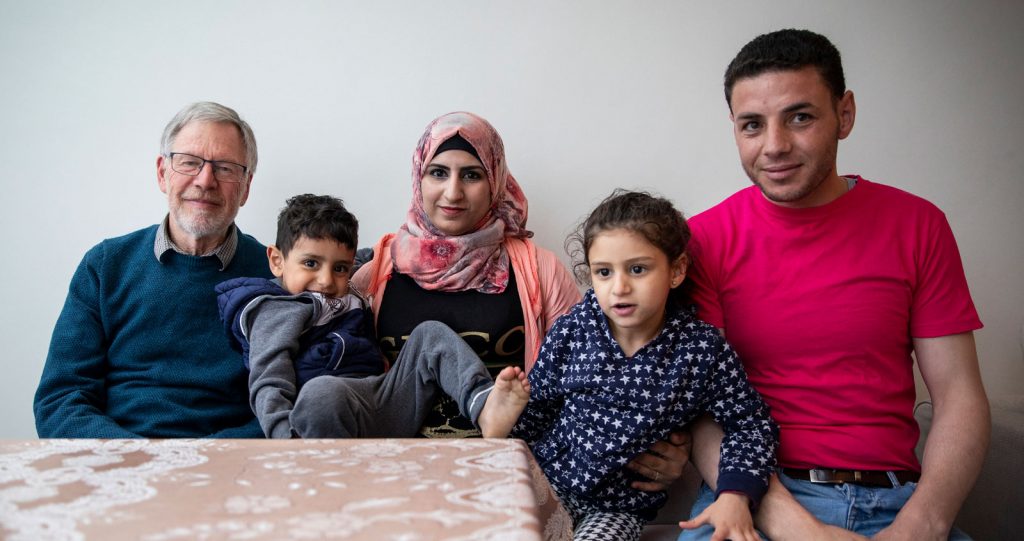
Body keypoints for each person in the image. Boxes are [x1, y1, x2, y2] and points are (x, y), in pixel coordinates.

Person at [679, 29, 989, 540]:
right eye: (752, 125)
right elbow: (701, 411)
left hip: (898, 500)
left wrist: (922, 525)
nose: (775, 146)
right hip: (753, 503)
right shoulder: (703, 241)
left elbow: (958, 394)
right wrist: (803, 530)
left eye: (800, 117)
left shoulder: (918, 225)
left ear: (844, 114)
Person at [302, 112, 690, 490]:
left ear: (495, 182)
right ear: (419, 179)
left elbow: (594, 368)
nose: (453, 191)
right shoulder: (378, 267)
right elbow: (321, 347)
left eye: (471, 175)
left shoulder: (538, 269)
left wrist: (666, 444)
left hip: (504, 469)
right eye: (438, 172)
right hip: (395, 469)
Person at [504, 190, 778, 541]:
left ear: (676, 270)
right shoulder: (574, 329)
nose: (619, 287)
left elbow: (751, 425)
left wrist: (735, 494)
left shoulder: (700, 350)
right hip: (549, 481)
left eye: (637, 269)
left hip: (617, 508)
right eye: (603, 272)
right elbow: (535, 411)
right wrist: (501, 432)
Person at [34, 101, 271, 438]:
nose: (205, 180)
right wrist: (139, 460)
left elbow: (289, 406)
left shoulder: (277, 276)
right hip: (118, 464)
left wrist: (207, 462)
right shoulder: (104, 266)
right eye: (189, 162)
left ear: (246, 186)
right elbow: (60, 399)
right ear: (163, 173)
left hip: (231, 469)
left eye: (225, 168)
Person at [216, 194, 528, 439]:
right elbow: (268, 378)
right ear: (276, 260)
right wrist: (286, 440)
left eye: (340, 268)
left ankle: (484, 406)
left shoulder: (346, 288)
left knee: (430, 334)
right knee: (322, 393)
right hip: (319, 417)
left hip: (379, 401)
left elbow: (377, 255)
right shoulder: (276, 310)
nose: (325, 280)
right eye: (311, 264)